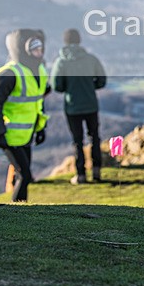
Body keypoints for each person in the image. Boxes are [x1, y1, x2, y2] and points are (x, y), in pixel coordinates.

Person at [0, 29, 49, 202]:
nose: (39, 53)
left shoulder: (39, 71)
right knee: (25, 175)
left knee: (21, 175)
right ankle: (17, 212)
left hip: (26, 134)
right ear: (24, 50)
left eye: (41, 49)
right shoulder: (9, 74)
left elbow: (37, 101)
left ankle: (18, 212)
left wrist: (41, 128)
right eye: (35, 49)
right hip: (8, 135)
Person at [50, 28, 107, 185]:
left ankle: (81, 175)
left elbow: (57, 86)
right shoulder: (91, 59)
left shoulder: (61, 62)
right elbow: (102, 81)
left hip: (72, 106)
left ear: (65, 42)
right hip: (91, 104)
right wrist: (89, 87)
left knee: (77, 141)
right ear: (79, 40)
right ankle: (96, 172)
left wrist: (71, 88)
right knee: (94, 137)